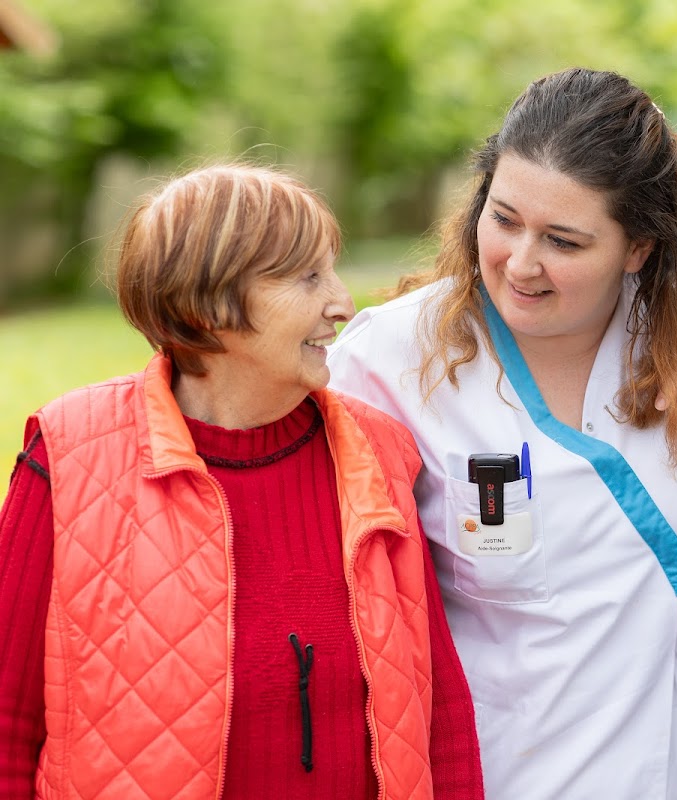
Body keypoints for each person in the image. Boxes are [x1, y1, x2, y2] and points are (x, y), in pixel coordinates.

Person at [327, 67, 677, 799]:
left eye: (564, 241)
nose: (522, 264)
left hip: (675, 772)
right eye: (504, 219)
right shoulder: (390, 359)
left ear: (638, 248)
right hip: (499, 775)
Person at [0, 163, 484, 800]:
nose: (343, 304)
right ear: (204, 305)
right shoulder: (70, 454)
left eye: (332, 271)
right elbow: (8, 725)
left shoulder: (381, 454)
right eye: (307, 277)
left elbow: (437, 712)